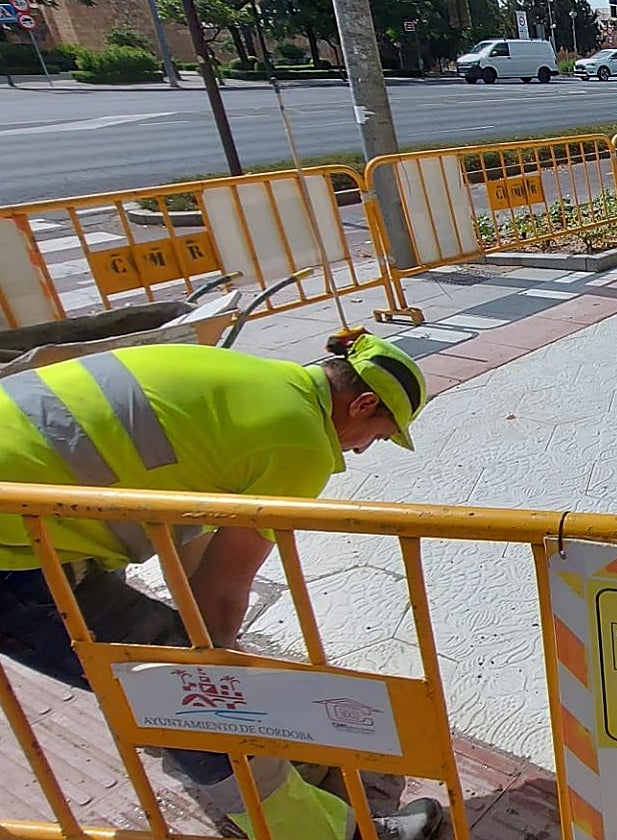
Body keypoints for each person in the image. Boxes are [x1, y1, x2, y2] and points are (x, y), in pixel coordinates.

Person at [0, 332, 440, 840]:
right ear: (362, 405)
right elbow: (222, 586)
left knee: (168, 677)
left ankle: (241, 758)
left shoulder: (251, 379)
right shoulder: (302, 441)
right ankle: (327, 832)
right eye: (376, 436)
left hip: (28, 509)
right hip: (15, 547)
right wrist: (218, 676)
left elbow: (191, 541)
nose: (360, 449)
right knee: (191, 699)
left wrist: (210, 649)